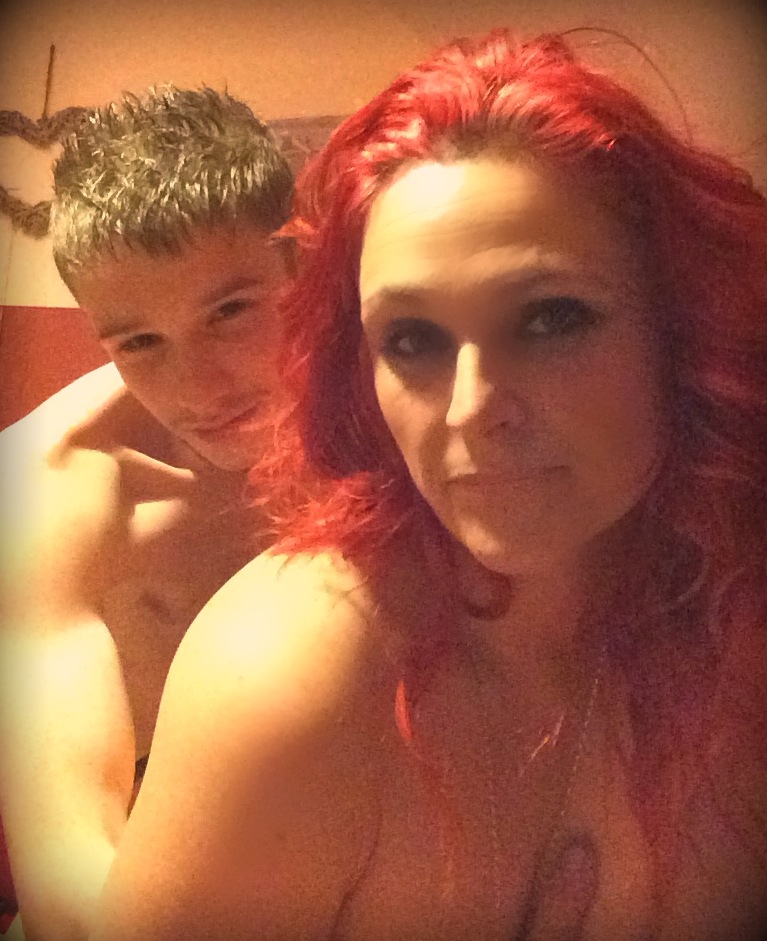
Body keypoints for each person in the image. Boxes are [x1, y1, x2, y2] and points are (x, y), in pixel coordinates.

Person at [90, 29, 767, 941]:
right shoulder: (295, 676)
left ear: (681, 329)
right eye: (411, 339)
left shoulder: (732, 622)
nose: (470, 408)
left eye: (550, 317)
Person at [0, 86, 294, 941]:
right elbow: (70, 882)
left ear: (301, 269)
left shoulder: (395, 416)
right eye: (139, 342)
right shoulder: (50, 491)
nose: (197, 388)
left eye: (229, 312)